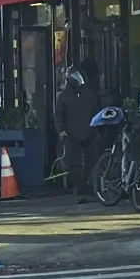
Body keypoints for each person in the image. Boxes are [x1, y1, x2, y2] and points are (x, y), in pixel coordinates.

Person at [54, 65, 102, 201]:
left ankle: (89, 186)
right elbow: (59, 115)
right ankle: (79, 187)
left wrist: (98, 128)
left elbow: (96, 110)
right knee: (74, 163)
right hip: (72, 133)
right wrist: (61, 131)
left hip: (88, 131)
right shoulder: (64, 96)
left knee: (91, 160)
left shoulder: (88, 93)